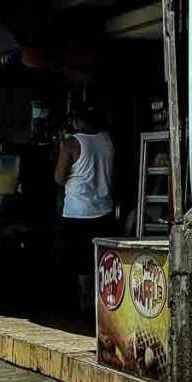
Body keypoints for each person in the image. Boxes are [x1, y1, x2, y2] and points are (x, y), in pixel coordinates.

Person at [54, 102, 115, 315]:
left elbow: (59, 178)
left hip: (78, 212)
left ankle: (86, 304)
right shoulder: (107, 139)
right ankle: (104, 302)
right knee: (101, 260)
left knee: (81, 261)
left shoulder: (72, 143)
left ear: (78, 121)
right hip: (104, 209)